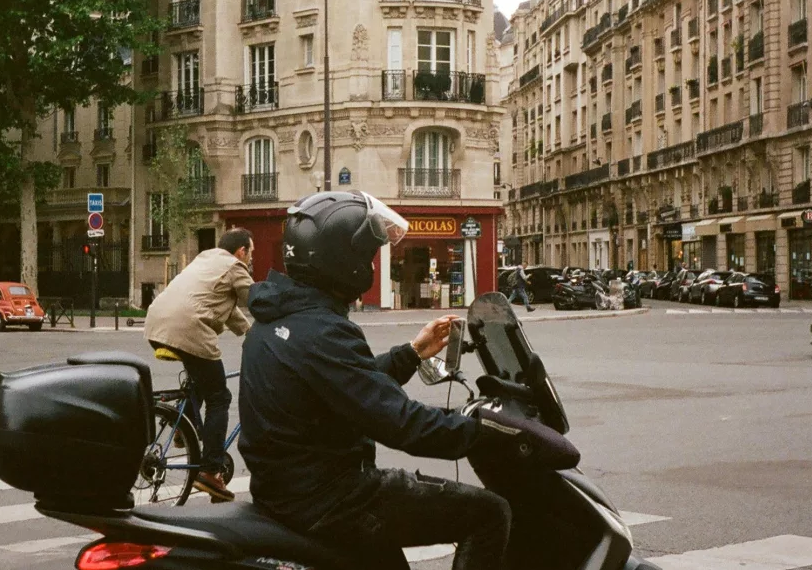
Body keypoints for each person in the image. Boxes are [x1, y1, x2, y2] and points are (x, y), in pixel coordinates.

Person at [238, 191, 580, 570]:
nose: (370, 263)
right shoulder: (322, 330)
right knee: (489, 513)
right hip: (332, 499)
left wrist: (413, 353)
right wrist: (491, 433)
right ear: (343, 260)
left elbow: (347, 385)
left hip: (289, 491)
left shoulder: (278, 317)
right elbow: (401, 423)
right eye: (367, 254)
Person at [144, 228, 255, 503]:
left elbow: (225, 308)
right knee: (220, 397)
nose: (251, 259)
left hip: (157, 324)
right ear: (241, 251)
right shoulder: (234, 266)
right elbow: (256, 299)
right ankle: (211, 470)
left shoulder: (206, 259)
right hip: (188, 328)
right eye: (251, 252)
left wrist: (250, 333)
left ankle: (185, 430)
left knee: (199, 380)